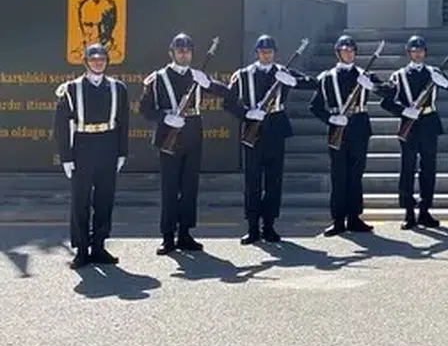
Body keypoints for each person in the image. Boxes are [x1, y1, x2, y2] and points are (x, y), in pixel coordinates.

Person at [139, 33, 232, 255]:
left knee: (190, 186)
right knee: (170, 187)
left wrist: (208, 82)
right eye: (180, 50)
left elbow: (228, 92)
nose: (184, 54)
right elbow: (145, 109)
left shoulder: (197, 76)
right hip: (169, 131)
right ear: (171, 53)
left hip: (192, 130)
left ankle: (185, 233)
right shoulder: (157, 78)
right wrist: (165, 117)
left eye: (188, 51)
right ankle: (168, 235)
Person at [223, 34, 318, 245]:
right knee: (253, 181)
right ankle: (252, 227)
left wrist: (294, 81)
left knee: (274, 181)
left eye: (270, 52)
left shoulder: (283, 72)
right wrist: (246, 114)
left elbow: (314, 83)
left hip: (275, 129)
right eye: (263, 52)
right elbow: (228, 103)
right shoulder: (243, 75)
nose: (266, 55)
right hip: (253, 130)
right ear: (257, 53)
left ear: (275, 53)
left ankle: (270, 226)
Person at [53, 44, 130, 269]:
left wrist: (121, 152)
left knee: (105, 199)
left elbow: (124, 123)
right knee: (81, 200)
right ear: (86, 62)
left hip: (107, 144)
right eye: (93, 59)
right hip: (83, 146)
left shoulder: (119, 88)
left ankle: (98, 246)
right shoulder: (71, 89)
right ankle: (82, 249)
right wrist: (66, 156)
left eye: (102, 59)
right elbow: (61, 125)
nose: (98, 62)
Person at [309, 35, 392, 236]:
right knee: (338, 175)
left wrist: (373, 86)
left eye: (352, 50)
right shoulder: (327, 77)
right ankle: (338, 220)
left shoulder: (365, 74)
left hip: (359, 127)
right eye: (345, 50)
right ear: (338, 53)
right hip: (338, 127)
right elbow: (315, 107)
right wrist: (331, 119)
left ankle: (354, 217)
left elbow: (389, 92)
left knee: (356, 175)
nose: (349, 53)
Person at [381, 35, 448, 229]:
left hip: (428, 123)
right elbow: (386, 102)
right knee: (407, 169)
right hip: (409, 124)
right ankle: (409, 213)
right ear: (408, 53)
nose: (418, 53)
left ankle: (425, 210)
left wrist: (445, 83)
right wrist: (403, 111)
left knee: (428, 169)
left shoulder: (434, 72)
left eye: (421, 50)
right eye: (414, 50)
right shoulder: (398, 75)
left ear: (425, 52)